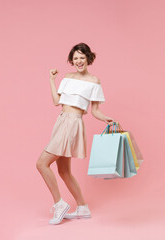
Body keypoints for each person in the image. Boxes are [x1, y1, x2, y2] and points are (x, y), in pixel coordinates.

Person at [36, 42, 115, 225]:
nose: (79, 61)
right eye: (75, 58)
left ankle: (59, 204)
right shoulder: (68, 77)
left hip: (73, 124)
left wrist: (106, 119)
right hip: (62, 120)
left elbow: (95, 110)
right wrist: (51, 80)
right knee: (64, 171)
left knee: (41, 163)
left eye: (82, 57)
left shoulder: (94, 81)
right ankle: (82, 207)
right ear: (72, 60)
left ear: (88, 58)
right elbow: (57, 102)